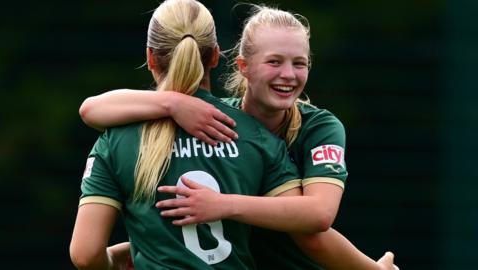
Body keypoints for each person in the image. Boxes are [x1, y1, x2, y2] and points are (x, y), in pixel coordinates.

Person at [78, 3, 399, 270]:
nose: (288, 74)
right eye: (274, 62)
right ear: (233, 62)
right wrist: (173, 103)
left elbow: (316, 219)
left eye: (299, 63)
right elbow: (90, 109)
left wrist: (221, 205)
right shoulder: (237, 129)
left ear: (150, 58)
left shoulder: (318, 128)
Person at [69, 0, 309, 269]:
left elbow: (86, 254)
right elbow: (304, 220)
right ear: (216, 56)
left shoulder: (115, 140)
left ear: (150, 57)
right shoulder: (255, 134)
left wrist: (115, 259)